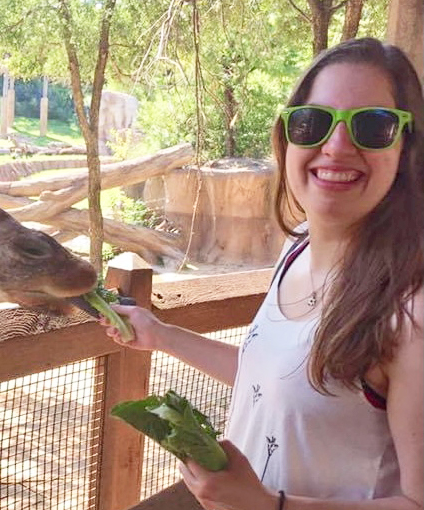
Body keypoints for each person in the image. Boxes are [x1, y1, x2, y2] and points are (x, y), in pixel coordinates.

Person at [100, 37, 423, 510]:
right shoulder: (296, 250)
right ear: (287, 138)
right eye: (312, 123)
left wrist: (270, 505)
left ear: (406, 150)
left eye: (373, 127)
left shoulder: (410, 311)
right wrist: (162, 335)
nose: (336, 146)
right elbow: (273, 382)